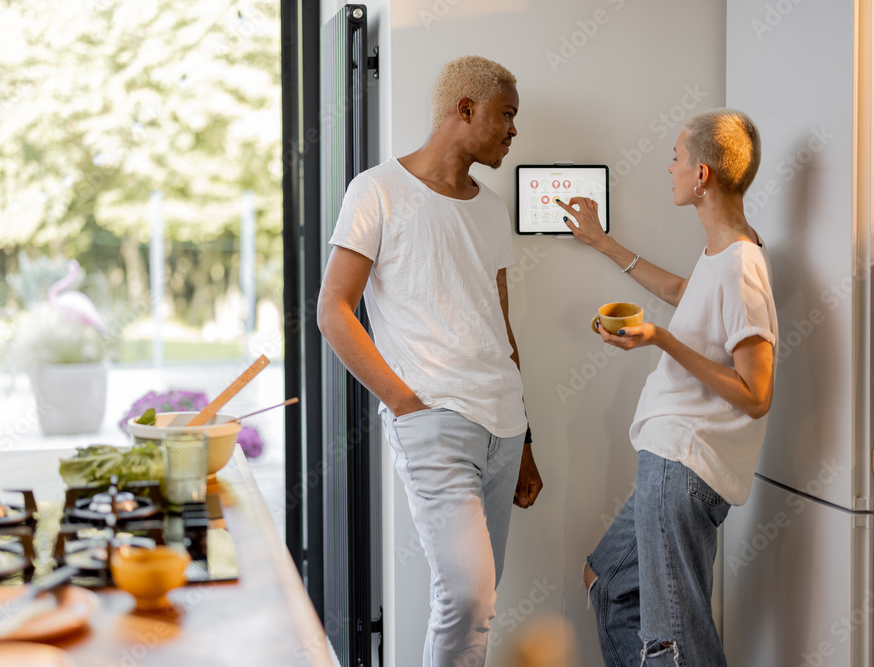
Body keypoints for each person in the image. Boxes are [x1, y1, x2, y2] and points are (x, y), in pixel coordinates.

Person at [317, 55, 543, 667]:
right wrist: (403, 402)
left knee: (481, 604)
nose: (513, 131)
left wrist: (525, 443)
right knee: (466, 599)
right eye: (506, 115)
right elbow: (334, 310)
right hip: (435, 424)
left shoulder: (493, 210)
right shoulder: (377, 190)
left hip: (503, 426)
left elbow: (502, 329)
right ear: (465, 110)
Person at [558, 109, 777, 666]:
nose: (670, 167)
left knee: (673, 638)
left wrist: (660, 340)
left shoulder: (740, 264)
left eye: (676, 158)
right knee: (606, 580)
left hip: (685, 464)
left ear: (701, 174)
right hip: (669, 458)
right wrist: (603, 242)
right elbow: (685, 291)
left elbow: (756, 393)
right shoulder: (725, 251)